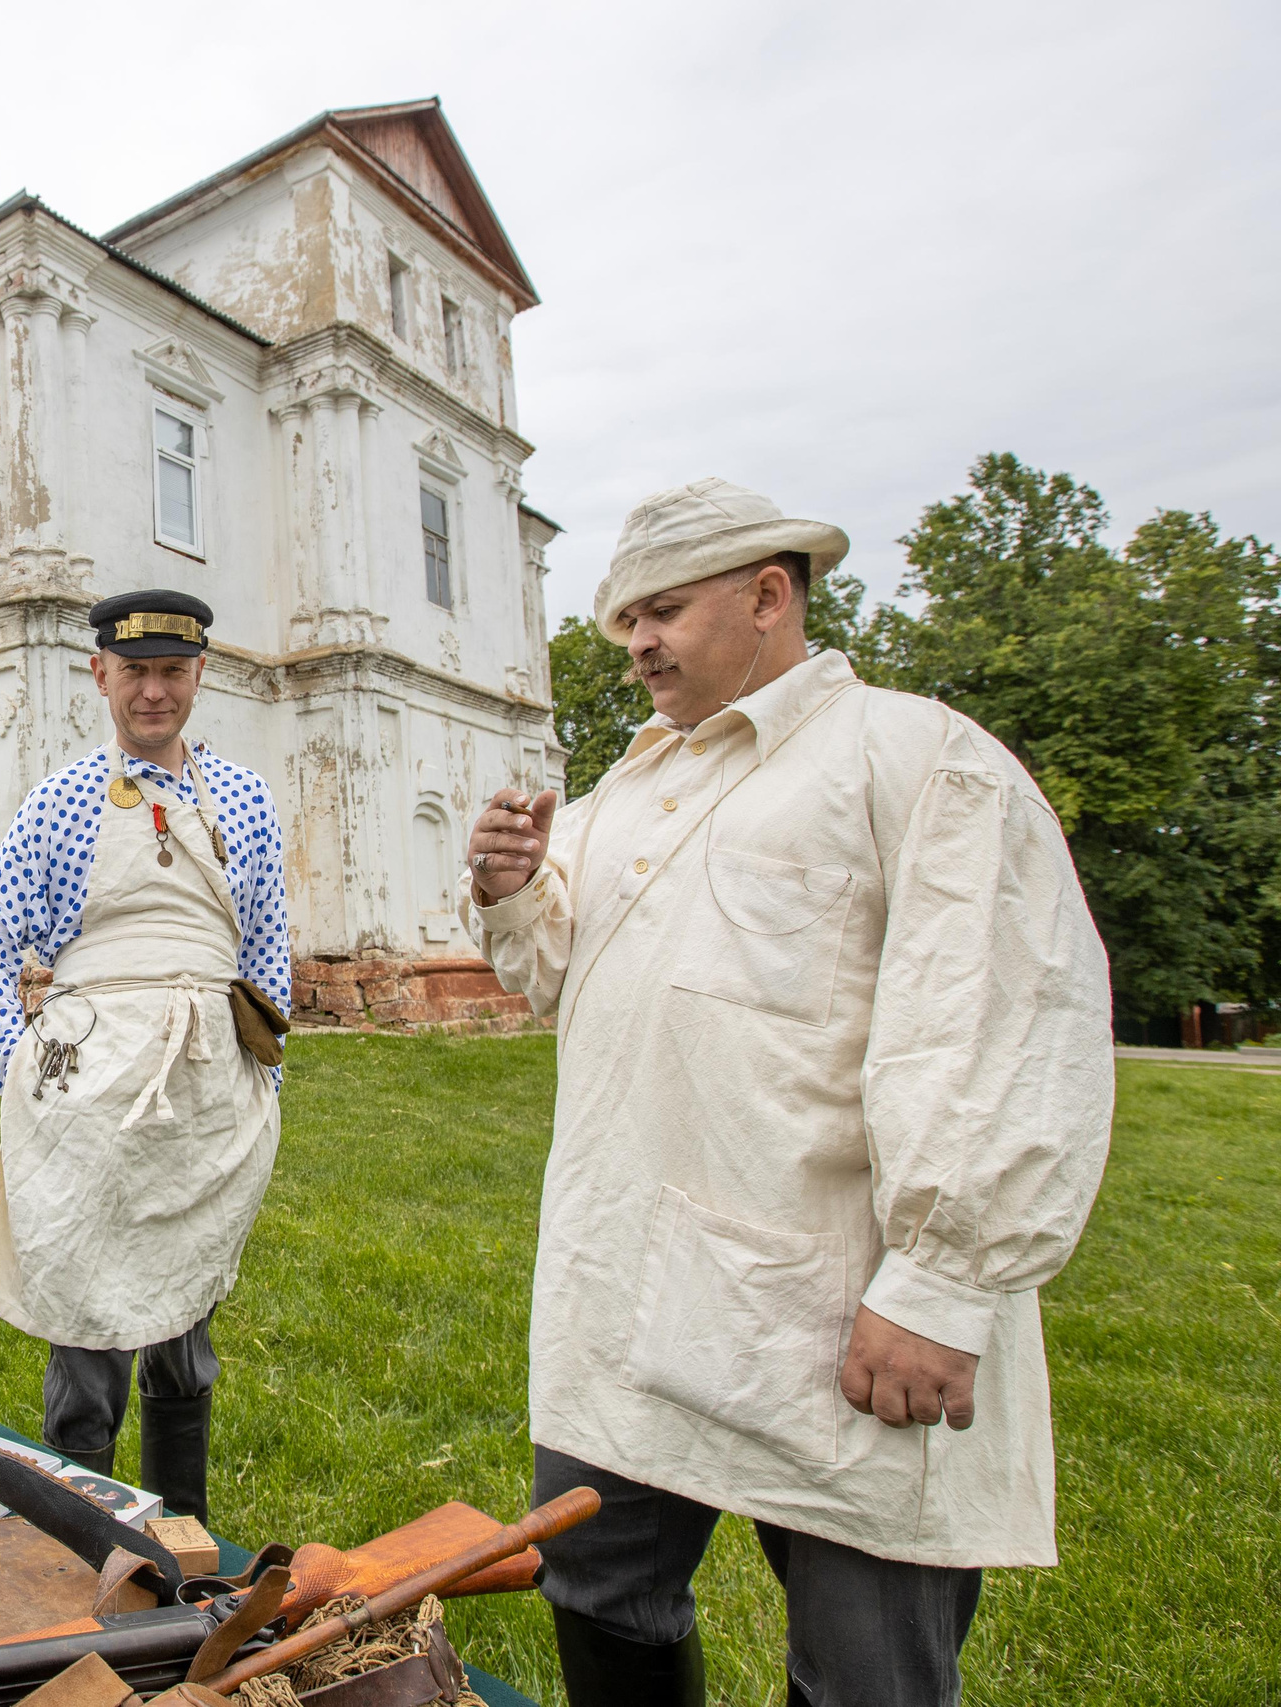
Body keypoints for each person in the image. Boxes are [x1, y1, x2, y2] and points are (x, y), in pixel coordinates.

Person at [463, 478, 1114, 1707]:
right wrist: (510, 887)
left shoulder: (914, 756)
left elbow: (999, 1017)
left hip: (832, 1302)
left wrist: (939, 1282)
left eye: (661, 611)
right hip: (619, 1279)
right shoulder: (628, 793)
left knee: (866, 1666)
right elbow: (551, 977)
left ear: (769, 595)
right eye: (622, 625)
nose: (639, 644)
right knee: (594, 1583)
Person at [0, 590, 291, 1522]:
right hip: (90, 1095)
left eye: (171, 672)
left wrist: (265, 1074)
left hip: (207, 1093)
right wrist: (9, 1064)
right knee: (88, 1318)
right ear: (99, 672)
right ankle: (87, 1542)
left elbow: (265, 949)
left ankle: (180, 1539)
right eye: (134, 670)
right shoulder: (57, 802)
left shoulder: (248, 801)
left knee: (185, 1322)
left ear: (199, 675)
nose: (154, 691)